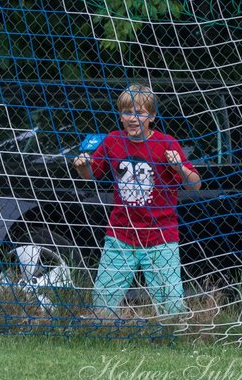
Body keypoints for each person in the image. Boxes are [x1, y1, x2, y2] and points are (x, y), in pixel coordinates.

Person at [73, 83, 201, 317]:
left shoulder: (167, 143)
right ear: (121, 116)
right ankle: (103, 332)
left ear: (151, 116)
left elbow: (194, 184)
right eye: (127, 112)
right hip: (120, 234)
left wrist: (179, 167)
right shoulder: (112, 141)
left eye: (140, 113)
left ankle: (173, 335)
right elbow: (92, 175)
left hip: (160, 235)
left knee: (171, 304)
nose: (133, 118)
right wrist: (83, 167)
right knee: (103, 301)